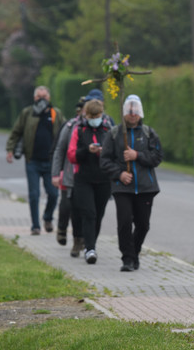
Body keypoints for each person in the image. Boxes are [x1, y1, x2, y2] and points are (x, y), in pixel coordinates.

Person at [101, 94, 162, 272]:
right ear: (124, 112)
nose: (133, 114)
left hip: (146, 188)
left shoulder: (149, 134)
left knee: (143, 224)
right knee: (125, 222)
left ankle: (135, 252)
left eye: (135, 111)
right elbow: (105, 160)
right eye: (129, 110)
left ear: (140, 112)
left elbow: (157, 157)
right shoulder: (114, 134)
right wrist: (119, 174)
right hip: (122, 188)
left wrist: (137, 156)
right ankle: (127, 258)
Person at [6, 86, 66, 235]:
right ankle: (35, 226)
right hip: (32, 161)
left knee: (53, 194)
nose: (41, 100)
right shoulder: (27, 113)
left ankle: (47, 217)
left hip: (51, 162)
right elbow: (16, 131)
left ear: (49, 98)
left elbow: (66, 132)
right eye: (38, 97)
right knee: (34, 194)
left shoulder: (56, 114)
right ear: (34, 98)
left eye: (44, 97)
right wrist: (10, 149)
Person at [67, 99, 114, 264]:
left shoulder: (109, 130)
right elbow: (72, 155)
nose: (95, 118)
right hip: (83, 179)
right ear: (86, 115)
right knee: (89, 213)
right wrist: (87, 150)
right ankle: (90, 248)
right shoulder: (79, 131)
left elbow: (115, 154)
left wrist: (104, 152)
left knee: (98, 214)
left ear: (102, 114)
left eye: (98, 115)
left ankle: (91, 242)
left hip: (103, 179)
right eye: (92, 115)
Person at [51, 95, 88, 255]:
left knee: (82, 210)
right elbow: (59, 149)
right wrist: (55, 173)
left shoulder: (102, 125)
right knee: (67, 206)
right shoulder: (70, 126)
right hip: (69, 173)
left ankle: (81, 240)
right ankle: (62, 228)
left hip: (87, 176)